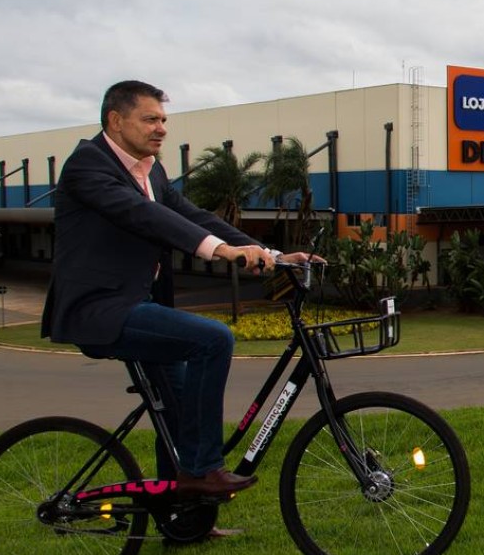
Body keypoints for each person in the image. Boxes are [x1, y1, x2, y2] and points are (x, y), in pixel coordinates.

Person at [41, 80, 313, 498]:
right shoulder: (88, 165)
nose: (162, 128)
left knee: (180, 413)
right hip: (101, 309)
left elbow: (191, 215)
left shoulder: (152, 171)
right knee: (213, 340)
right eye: (150, 119)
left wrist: (270, 253)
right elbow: (143, 216)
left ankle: (183, 518)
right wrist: (219, 251)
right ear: (115, 121)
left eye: (164, 120)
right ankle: (203, 470)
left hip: (139, 304)